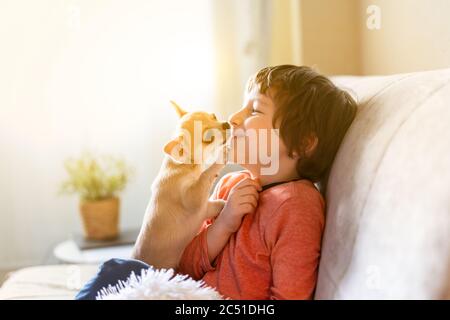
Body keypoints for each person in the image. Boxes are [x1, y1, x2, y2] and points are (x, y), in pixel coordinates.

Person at [76, 65, 357, 300]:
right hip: (188, 293)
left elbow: (289, 296)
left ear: (303, 144)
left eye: (255, 111)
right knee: (117, 271)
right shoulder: (229, 184)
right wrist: (223, 224)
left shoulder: (296, 205)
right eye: (241, 107)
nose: (234, 118)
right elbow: (185, 264)